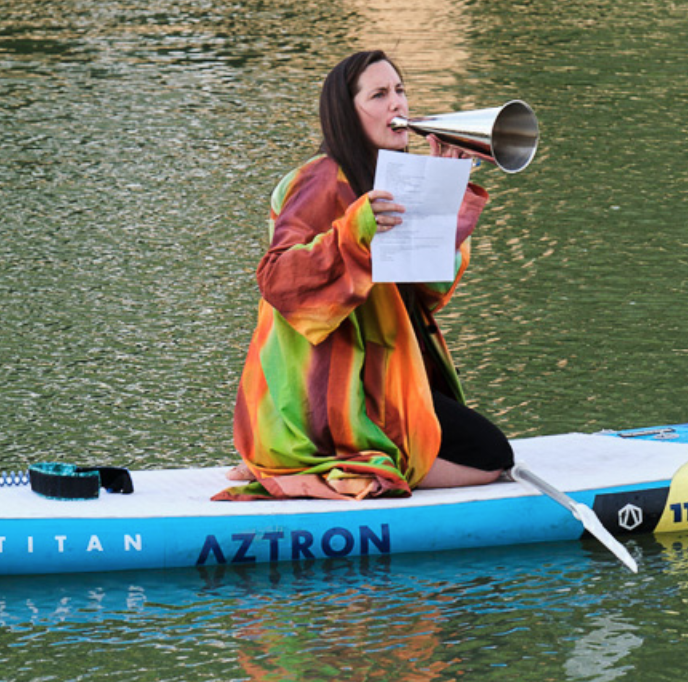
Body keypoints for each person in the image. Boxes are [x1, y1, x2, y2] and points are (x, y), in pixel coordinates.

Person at [216, 50, 514, 502]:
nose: (398, 104)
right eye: (379, 94)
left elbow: (425, 289)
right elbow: (278, 279)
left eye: (400, 90)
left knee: (488, 451)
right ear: (346, 113)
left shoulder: (389, 177)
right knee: (491, 459)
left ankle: (296, 455)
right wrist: (354, 230)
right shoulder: (318, 180)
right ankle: (304, 460)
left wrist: (443, 186)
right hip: (332, 380)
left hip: (386, 365)